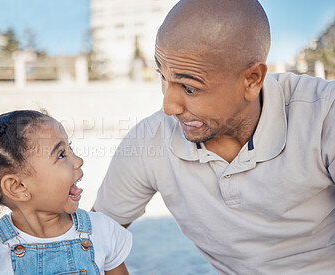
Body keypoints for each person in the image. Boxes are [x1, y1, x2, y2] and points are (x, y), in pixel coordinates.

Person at [93, 0, 335, 274]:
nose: (169, 106)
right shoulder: (150, 140)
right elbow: (92, 242)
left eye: (190, 88)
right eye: (163, 76)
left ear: (252, 80)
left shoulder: (324, 115)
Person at [0, 99, 132, 275]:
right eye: (61, 154)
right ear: (18, 187)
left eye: (71, 148)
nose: (78, 161)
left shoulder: (103, 231)